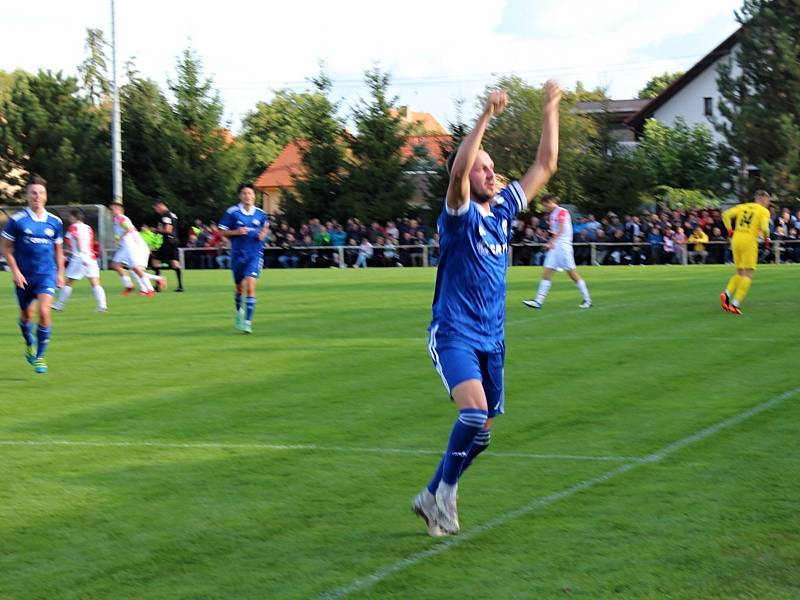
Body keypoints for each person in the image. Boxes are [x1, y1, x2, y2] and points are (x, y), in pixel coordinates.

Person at [412, 83, 560, 536]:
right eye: (484, 169)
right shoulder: (459, 212)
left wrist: (550, 106)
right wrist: (485, 117)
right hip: (454, 332)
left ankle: (431, 492)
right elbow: (457, 172)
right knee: (473, 414)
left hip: (492, 337)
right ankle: (447, 495)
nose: (491, 175)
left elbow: (546, 165)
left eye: (494, 169)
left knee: (484, 433)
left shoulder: (502, 210)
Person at [1, 175, 65, 373]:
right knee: (26, 315)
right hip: (24, 277)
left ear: (46, 196)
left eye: (41, 193)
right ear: (27, 196)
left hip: (46, 274)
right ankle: (29, 342)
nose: (37, 196)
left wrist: (60, 273)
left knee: (44, 312)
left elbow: (59, 251)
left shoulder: (55, 222)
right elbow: (6, 248)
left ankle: (40, 356)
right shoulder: (17, 221)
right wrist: (16, 271)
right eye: (33, 193)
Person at [522, 195, 592, 309]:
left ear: (550, 202)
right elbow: (555, 232)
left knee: (572, 273)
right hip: (556, 247)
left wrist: (550, 242)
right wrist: (551, 242)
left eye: (545, 205)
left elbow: (561, 229)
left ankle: (587, 299)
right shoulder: (551, 215)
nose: (545, 208)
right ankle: (538, 301)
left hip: (564, 246)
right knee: (547, 272)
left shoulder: (562, 211)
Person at [218, 183, 269, 334]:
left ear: (254, 196)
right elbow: (221, 232)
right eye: (244, 193)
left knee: (250, 286)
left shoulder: (260, 213)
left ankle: (248, 322)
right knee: (239, 288)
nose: (248, 196)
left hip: (255, 254)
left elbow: (265, 226)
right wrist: (236, 232)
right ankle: (239, 311)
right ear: (240, 196)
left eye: (250, 193)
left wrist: (263, 235)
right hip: (238, 255)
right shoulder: (232, 212)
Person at [720, 190, 771, 315]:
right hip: (749, 241)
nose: (768, 203)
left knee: (739, 272)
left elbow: (725, 215)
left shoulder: (743, 206)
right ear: (763, 199)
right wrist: (766, 239)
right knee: (748, 274)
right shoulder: (763, 211)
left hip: (736, 239)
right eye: (768, 201)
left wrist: (730, 230)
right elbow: (765, 228)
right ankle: (735, 304)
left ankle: (727, 293)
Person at [53, 209, 108, 312]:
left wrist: (77, 251)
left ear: (74, 217)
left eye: (69, 217)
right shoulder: (88, 228)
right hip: (91, 258)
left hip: (79, 258)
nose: (69, 219)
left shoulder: (73, 227)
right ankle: (102, 305)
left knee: (68, 282)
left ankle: (59, 305)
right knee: (95, 283)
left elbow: (76, 239)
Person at [109, 203, 161, 297]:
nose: (111, 211)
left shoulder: (120, 217)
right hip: (124, 245)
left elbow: (129, 229)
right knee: (115, 265)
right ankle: (129, 285)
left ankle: (150, 289)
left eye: (112, 209)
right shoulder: (117, 219)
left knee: (135, 268)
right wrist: (118, 238)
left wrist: (120, 238)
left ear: (119, 210)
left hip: (130, 245)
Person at [152, 200, 184, 291]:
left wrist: (156, 230)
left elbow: (168, 229)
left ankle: (158, 286)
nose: (156, 210)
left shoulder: (165, 215)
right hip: (174, 240)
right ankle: (180, 286)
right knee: (175, 262)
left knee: (155, 260)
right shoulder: (173, 214)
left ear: (160, 206)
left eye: (156, 208)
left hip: (167, 241)